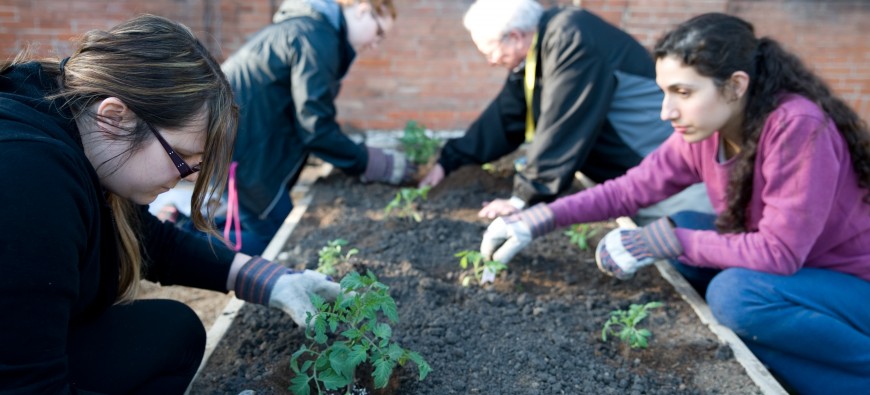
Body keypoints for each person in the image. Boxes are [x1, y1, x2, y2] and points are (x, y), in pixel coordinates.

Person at [480, 12, 870, 394]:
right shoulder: (707, 131)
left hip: (851, 286)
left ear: (735, 86)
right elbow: (629, 190)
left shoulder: (796, 127)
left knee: (735, 295)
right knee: (684, 226)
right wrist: (536, 218)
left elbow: (779, 253)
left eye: (683, 92)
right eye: (665, 92)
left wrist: (670, 241)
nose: (667, 111)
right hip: (802, 276)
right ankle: (784, 349)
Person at [0, 15, 341, 393]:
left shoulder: (68, 118)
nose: (187, 177)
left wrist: (268, 279)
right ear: (114, 118)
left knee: (172, 331)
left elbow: (147, 238)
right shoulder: (26, 181)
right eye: (181, 158)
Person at [420, 0, 712, 221]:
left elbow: (564, 122)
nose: (491, 61)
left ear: (516, 36)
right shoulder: (539, 54)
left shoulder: (572, 38)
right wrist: (450, 160)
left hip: (669, 181)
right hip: (635, 182)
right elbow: (506, 116)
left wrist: (523, 198)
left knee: (682, 253)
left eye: (489, 51)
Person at [207, 0, 413, 254]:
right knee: (274, 246)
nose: (374, 44)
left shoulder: (310, 30)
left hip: (242, 147)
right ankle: (177, 236)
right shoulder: (316, 38)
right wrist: (369, 161)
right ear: (363, 11)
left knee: (262, 226)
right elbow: (315, 126)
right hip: (242, 152)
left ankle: (181, 225)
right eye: (379, 32)